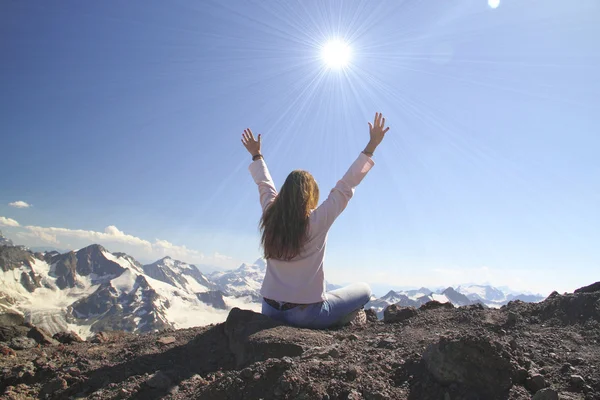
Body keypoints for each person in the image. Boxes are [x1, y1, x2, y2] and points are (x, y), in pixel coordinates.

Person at [241, 112, 390, 329]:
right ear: (309, 195)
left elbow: (264, 184)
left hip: (269, 310)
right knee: (364, 289)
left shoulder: (271, 215)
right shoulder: (317, 221)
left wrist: (257, 155)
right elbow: (345, 186)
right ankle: (341, 321)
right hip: (305, 315)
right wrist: (371, 146)